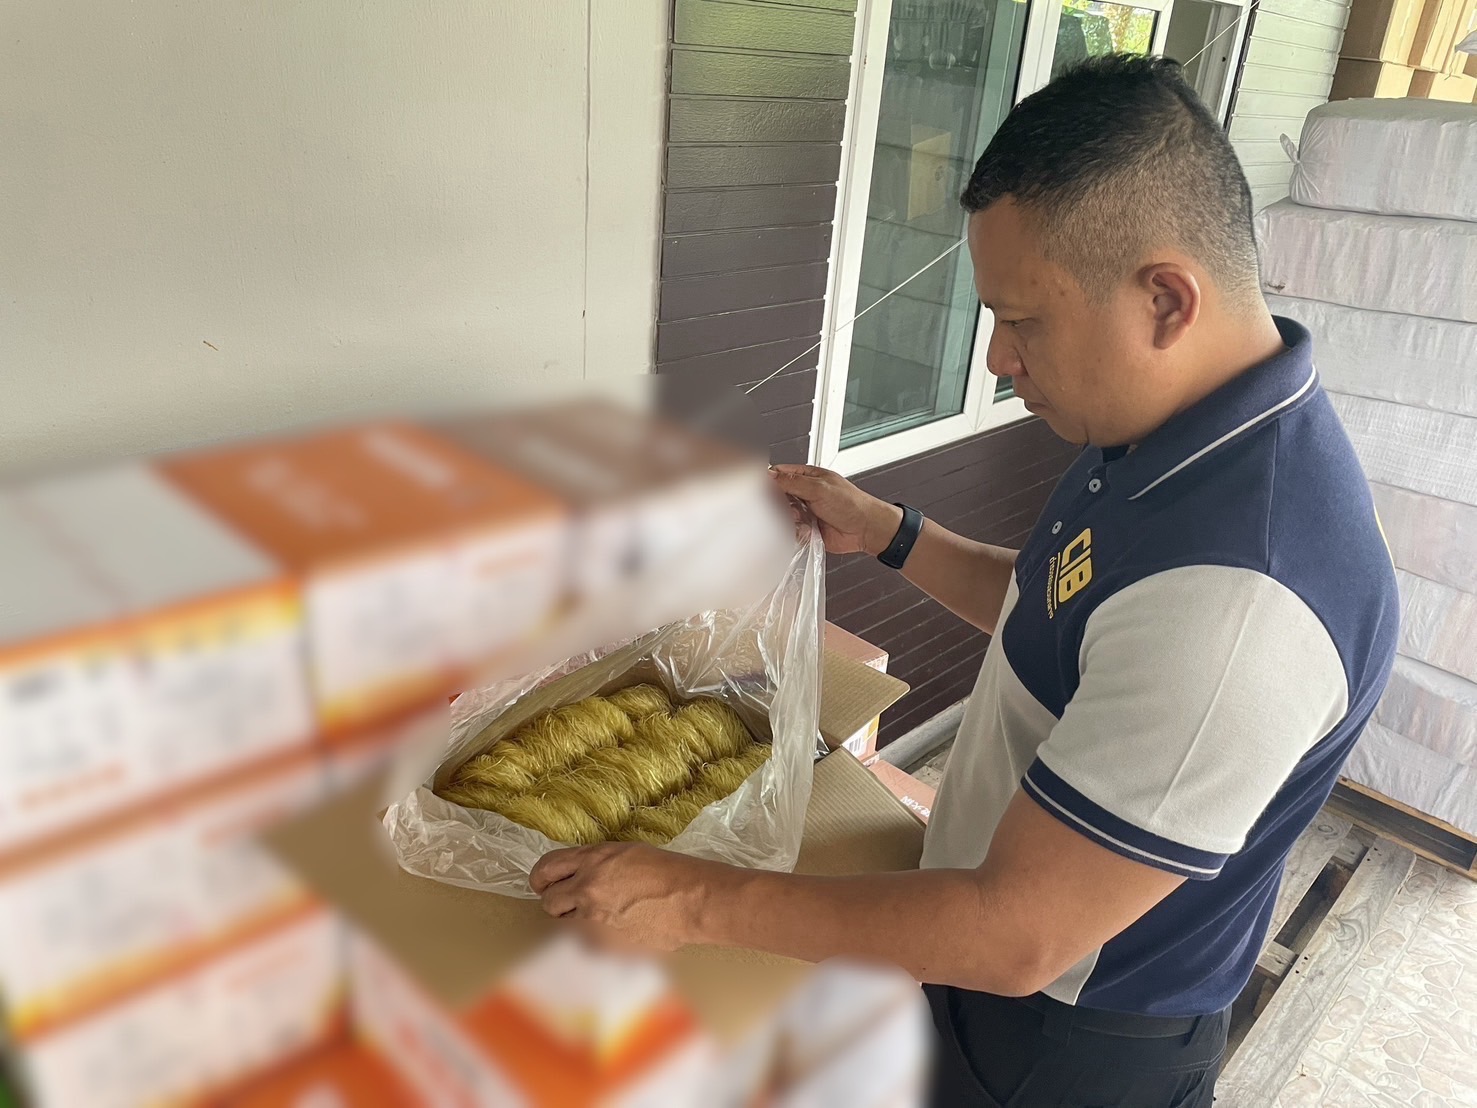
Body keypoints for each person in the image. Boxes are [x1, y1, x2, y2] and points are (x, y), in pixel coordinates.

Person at [529, 55, 1399, 1106]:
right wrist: (889, 533)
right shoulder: (1169, 434)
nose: (994, 358)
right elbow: (1064, 618)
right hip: (984, 955)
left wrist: (688, 901)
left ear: (1165, 300)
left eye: (1023, 320)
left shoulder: (1238, 606)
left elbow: (1014, 934)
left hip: (1062, 1046)